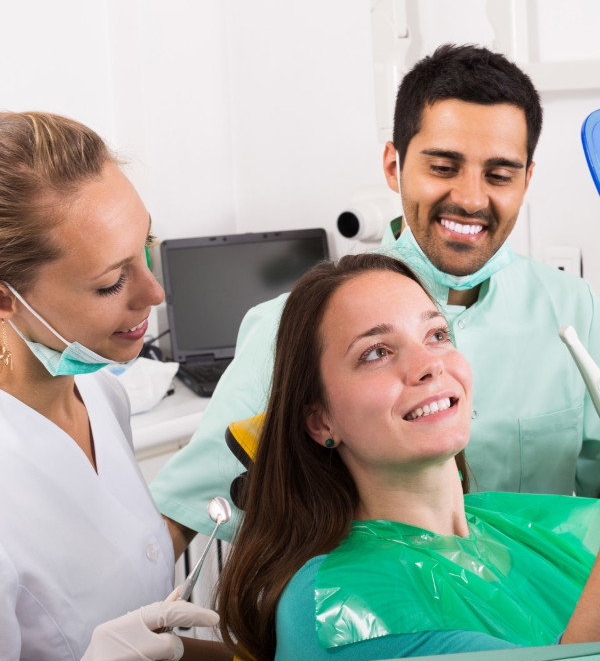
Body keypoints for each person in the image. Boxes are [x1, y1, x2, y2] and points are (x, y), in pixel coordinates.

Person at [151, 43, 600, 550]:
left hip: (537, 618)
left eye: (499, 175)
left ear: (526, 180)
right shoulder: (296, 324)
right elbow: (189, 508)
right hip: (372, 615)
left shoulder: (572, 307)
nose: (472, 198)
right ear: (393, 165)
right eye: (443, 167)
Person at [217, 253, 600, 661]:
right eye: (377, 352)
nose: (429, 364)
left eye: (437, 334)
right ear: (320, 420)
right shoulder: (338, 606)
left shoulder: (515, 525)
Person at [0, 112, 218, 661]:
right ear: (4, 299)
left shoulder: (99, 389)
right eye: (111, 282)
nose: (155, 291)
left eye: (147, 245)